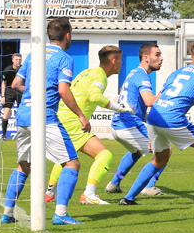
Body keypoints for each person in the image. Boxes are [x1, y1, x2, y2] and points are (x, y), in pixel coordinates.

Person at [0, 17, 91, 226]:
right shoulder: (64, 58)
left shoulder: (33, 56)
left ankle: (7, 213)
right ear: (67, 35)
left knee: (24, 166)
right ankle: (60, 213)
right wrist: (80, 115)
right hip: (45, 117)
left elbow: (16, 83)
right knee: (72, 162)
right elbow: (63, 89)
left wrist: (33, 92)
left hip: (23, 115)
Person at [119, 42, 194, 206]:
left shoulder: (176, 73)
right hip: (172, 119)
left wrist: (151, 133)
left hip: (153, 117)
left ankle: (128, 198)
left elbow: (158, 100)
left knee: (160, 158)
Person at [46, 45, 135, 205]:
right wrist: (119, 108)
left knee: (66, 157)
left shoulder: (87, 72)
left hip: (64, 117)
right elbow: (95, 96)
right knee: (104, 155)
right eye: (120, 60)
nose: (122, 63)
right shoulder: (100, 76)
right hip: (74, 122)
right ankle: (89, 194)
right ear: (114, 61)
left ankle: (50, 192)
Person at [105, 43, 165, 195]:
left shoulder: (133, 73)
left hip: (118, 125)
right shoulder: (142, 76)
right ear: (146, 58)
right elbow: (149, 101)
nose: (161, 58)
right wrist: (166, 90)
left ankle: (114, 184)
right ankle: (149, 186)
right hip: (129, 124)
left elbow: (140, 107)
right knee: (165, 150)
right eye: (157, 54)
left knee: (137, 152)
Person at [0, 53, 22, 140]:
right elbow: (4, 83)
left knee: (21, 114)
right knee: (6, 113)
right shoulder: (7, 70)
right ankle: (4, 135)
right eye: (16, 59)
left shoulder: (24, 69)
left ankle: (21, 134)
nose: (18, 61)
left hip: (20, 92)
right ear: (12, 60)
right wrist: (3, 96)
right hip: (9, 92)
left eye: (19, 60)